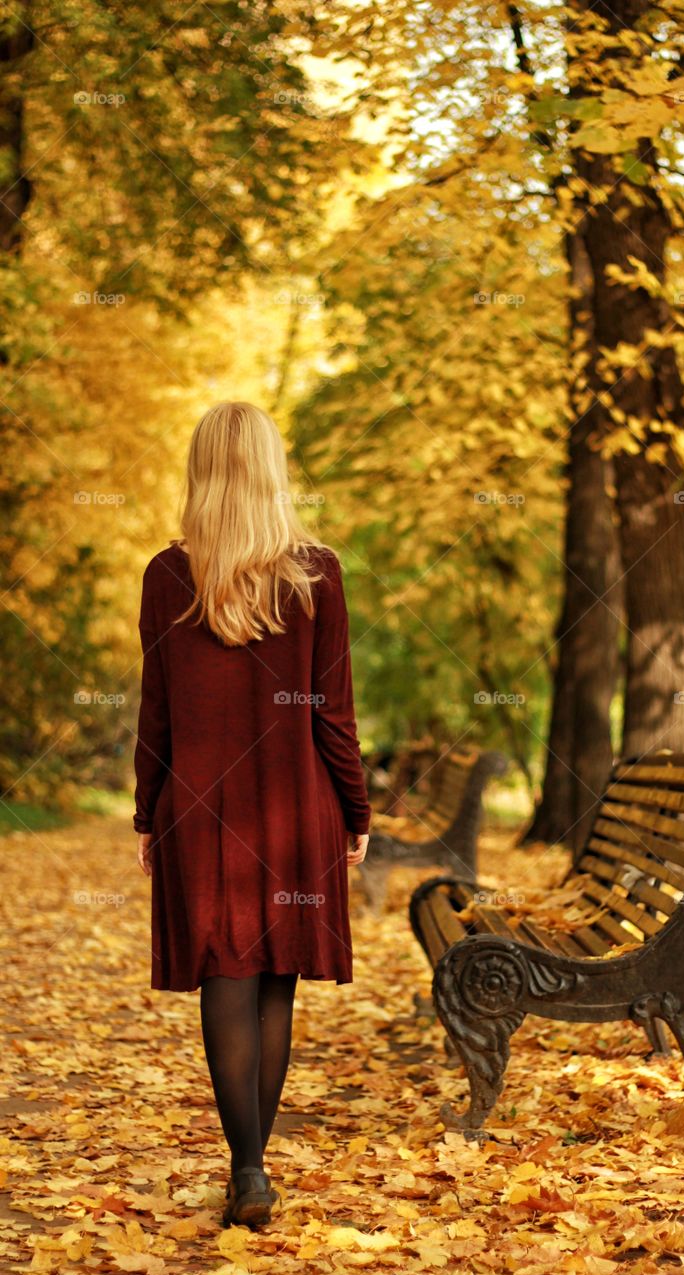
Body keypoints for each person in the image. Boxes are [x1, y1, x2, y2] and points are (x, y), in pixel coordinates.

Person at [132, 401, 371, 1229]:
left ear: (202, 471)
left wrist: (144, 812)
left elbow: (154, 714)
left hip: (197, 810)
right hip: (295, 806)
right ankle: (254, 1170)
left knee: (225, 978)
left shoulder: (169, 575)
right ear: (272, 468)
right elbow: (333, 714)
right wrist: (355, 807)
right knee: (274, 984)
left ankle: (247, 1166)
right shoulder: (317, 574)